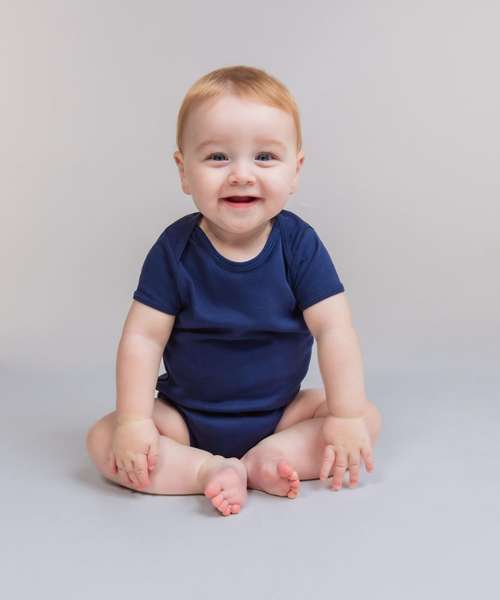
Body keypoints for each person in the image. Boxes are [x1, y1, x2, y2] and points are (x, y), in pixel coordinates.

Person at [86, 65, 382, 517]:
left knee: (363, 417)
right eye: (218, 157)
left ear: (295, 170)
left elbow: (334, 329)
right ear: (184, 172)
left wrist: (343, 417)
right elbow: (142, 338)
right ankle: (204, 469)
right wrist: (134, 421)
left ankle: (269, 457)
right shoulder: (174, 250)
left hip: (282, 415)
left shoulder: (299, 246)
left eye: (264, 157)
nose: (242, 174)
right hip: (184, 418)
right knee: (104, 439)